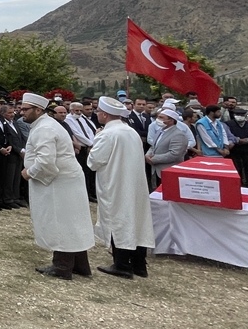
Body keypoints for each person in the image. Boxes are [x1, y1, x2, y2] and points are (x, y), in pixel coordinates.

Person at [17, 93, 95, 280]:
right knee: (73, 222)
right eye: (21, 109)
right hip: (65, 180)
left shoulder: (44, 128)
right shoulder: (46, 125)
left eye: (25, 109)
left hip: (60, 183)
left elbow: (46, 162)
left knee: (61, 222)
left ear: (38, 110)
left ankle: (62, 266)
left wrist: (29, 172)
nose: (21, 113)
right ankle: (80, 265)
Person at [87, 96, 155, 280]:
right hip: (134, 184)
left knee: (119, 219)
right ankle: (139, 264)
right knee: (136, 219)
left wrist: (95, 139)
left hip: (115, 184)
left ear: (104, 114)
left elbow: (94, 161)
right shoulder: (130, 131)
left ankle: (122, 264)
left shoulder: (107, 134)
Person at [146, 108, 189, 184]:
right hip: (157, 170)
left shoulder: (178, 135)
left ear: (171, 121)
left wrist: (154, 159)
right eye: (158, 117)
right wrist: (147, 155)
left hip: (169, 170)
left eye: (161, 117)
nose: (157, 119)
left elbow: (174, 154)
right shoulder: (160, 131)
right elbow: (154, 146)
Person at [226, 106, 248, 188]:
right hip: (234, 149)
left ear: (245, 115)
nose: (240, 116)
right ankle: (237, 183)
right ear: (234, 115)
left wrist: (247, 140)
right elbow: (227, 134)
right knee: (236, 166)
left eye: (242, 114)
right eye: (238, 114)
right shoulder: (228, 124)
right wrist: (237, 140)